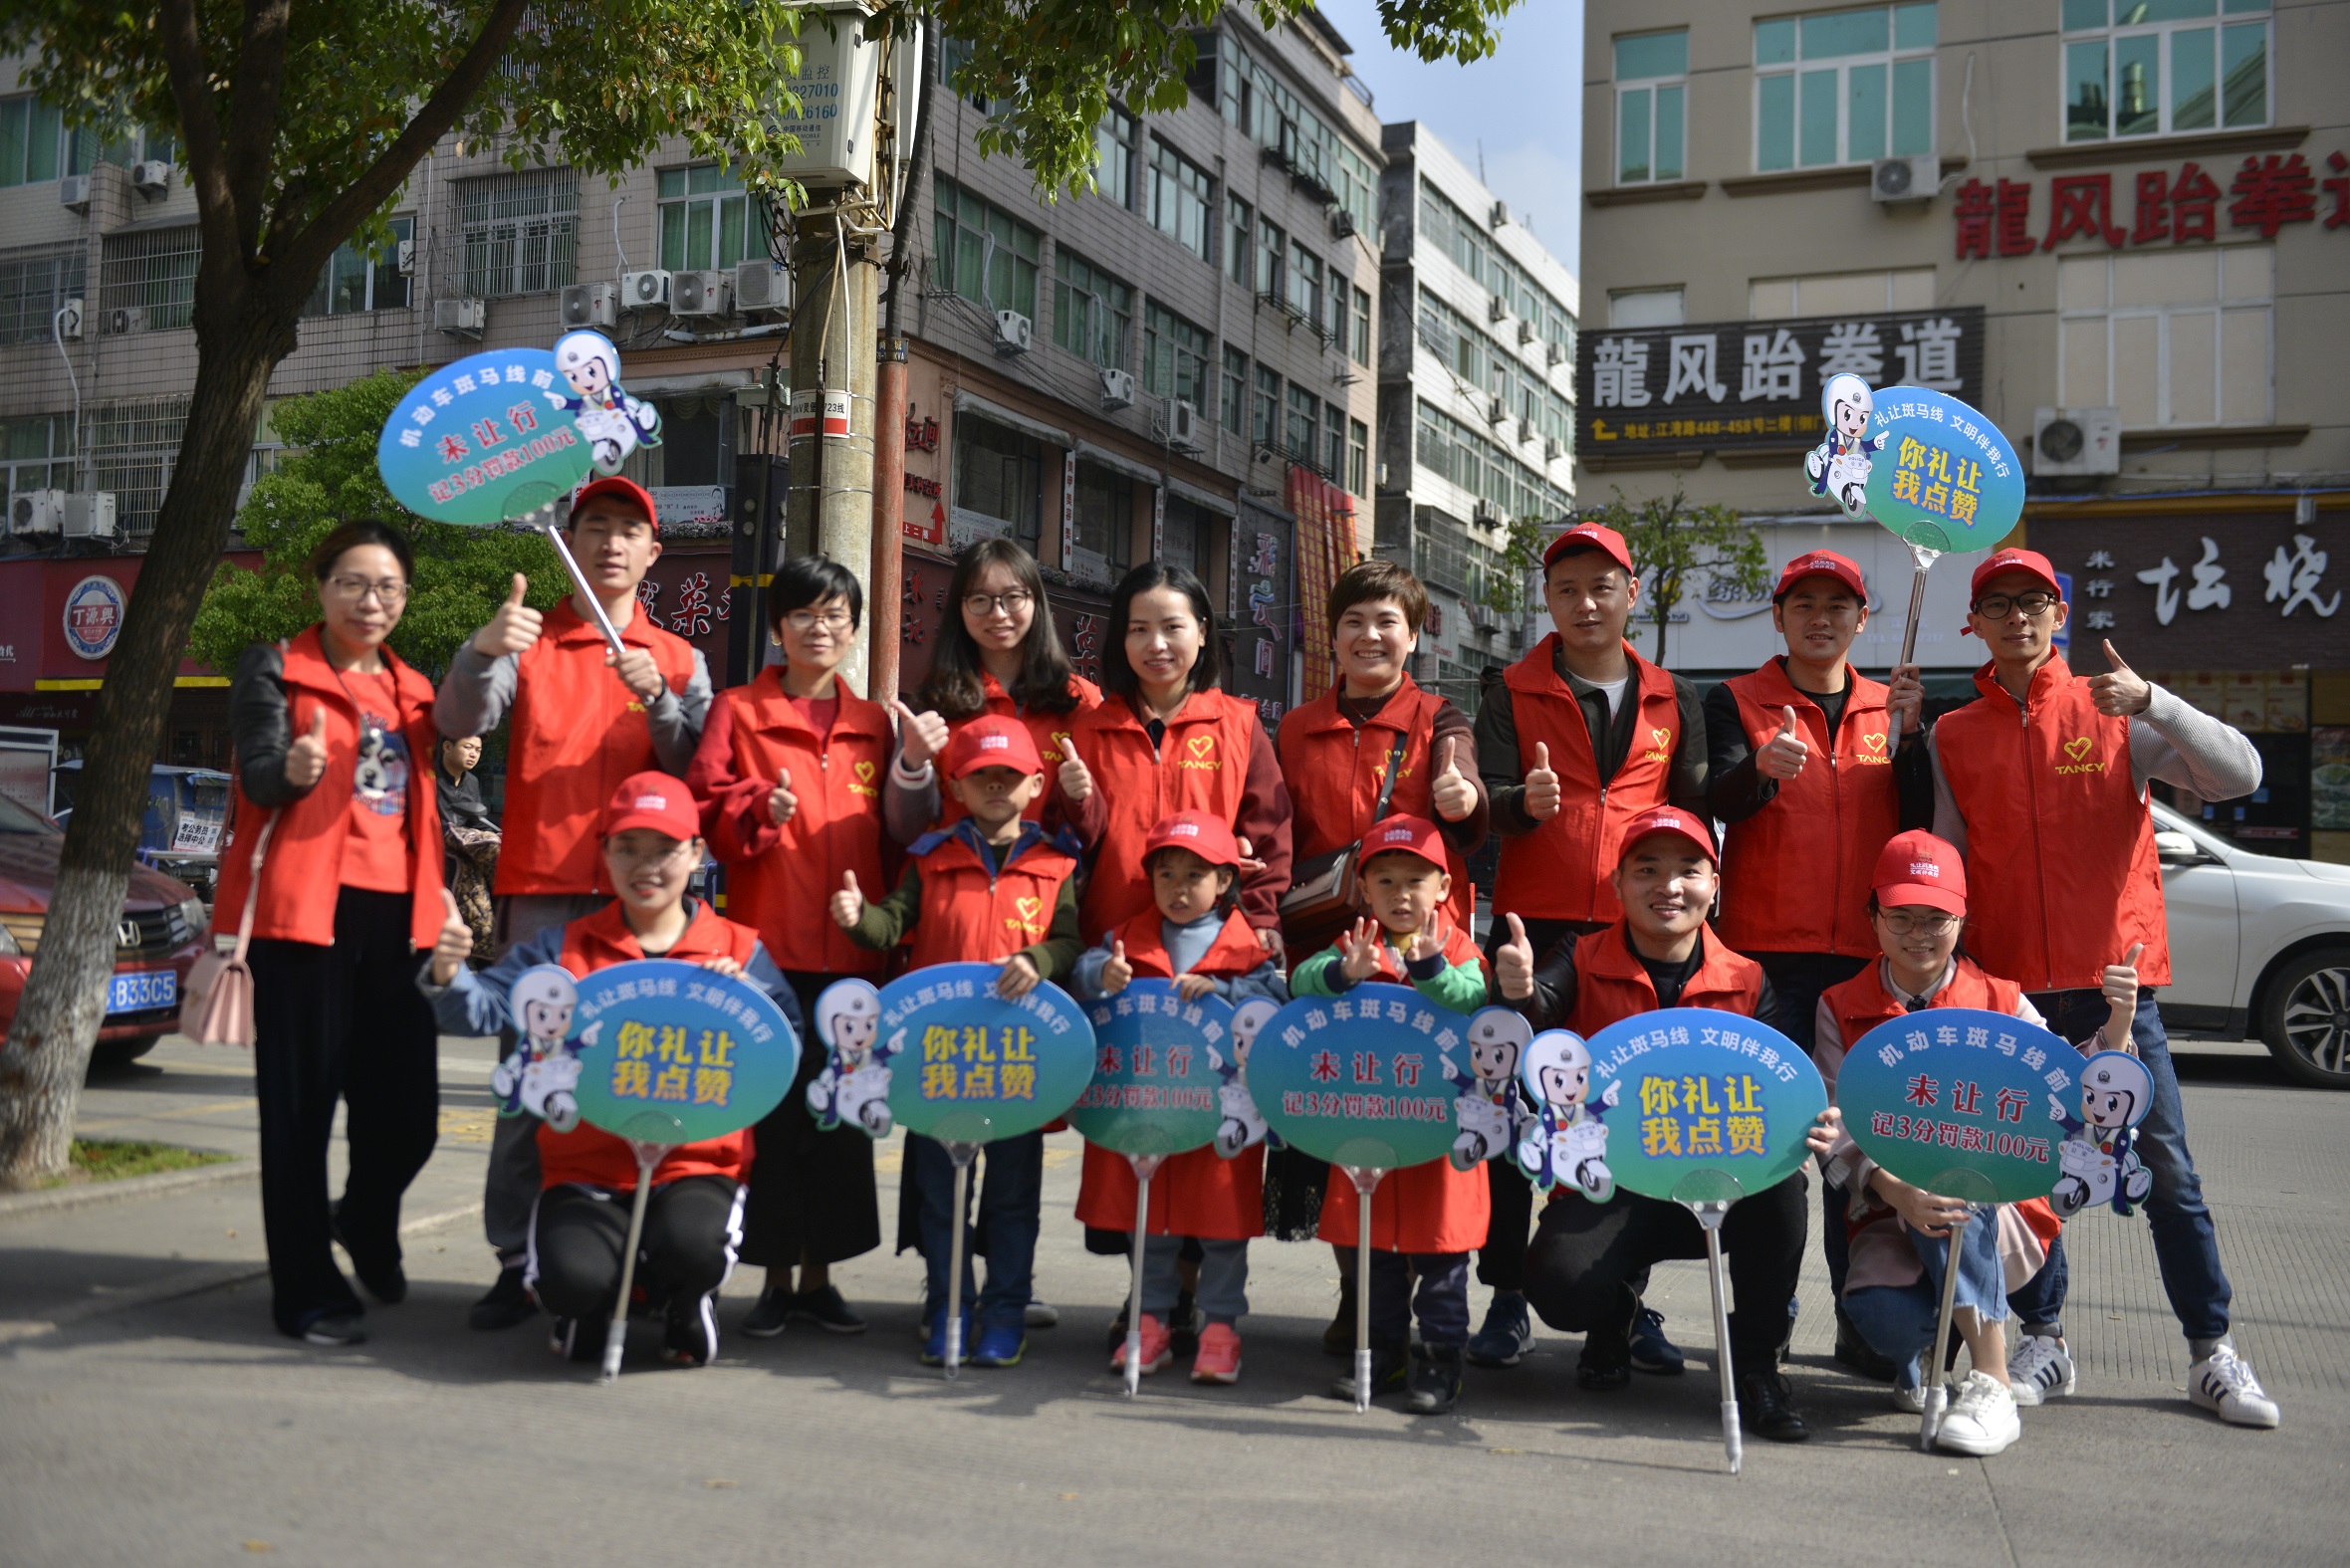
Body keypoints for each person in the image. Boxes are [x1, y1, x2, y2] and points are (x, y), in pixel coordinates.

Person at [1928, 548, 2277, 1428]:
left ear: (2059, 612)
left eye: (2033, 600)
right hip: (2015, 1000)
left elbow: (2242, 773)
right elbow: (1952, 864)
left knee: (2167, 1175)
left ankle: (2212, 1350)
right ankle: (2044, 1337)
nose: (2017, 616)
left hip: (2119, 995)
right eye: (1997, 603)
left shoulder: (2113, 708)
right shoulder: (1953, 734)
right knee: (2028, 1176)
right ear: (1974, 622)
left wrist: (2156, 700)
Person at [435, 475, 713, 1332]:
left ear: (653, 553)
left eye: (630, 530)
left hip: (650, 904)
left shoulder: (677, 657)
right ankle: (517, 1260)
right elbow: (457, 716)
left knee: (645, 1077)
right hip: (546, 902)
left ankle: (647, 1257)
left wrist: (659, 701)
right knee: (531, 1087)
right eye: (596, 525)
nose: (611, 543)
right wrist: (484, 646)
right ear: (574, 535)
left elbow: (703, 768)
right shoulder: (531, 640)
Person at [418, 774, 806, 1368]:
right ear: (604, 854)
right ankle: (590, 1306)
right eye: (628, 848)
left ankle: (685, 1302)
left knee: (691, 1247)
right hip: (585, 1167)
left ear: (696, 854)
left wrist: (745, 1006)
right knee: (571, 1278)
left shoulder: (738, 949)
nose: (645, 865)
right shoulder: (561, 948)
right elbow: (488, 1009)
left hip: (695, 1163)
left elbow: (785, 1051)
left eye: (665, 850)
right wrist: (448, 972)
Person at [1496, 807, 1839, 1443]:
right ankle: (1615, 1318)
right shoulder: (1580, 954)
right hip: (1615, 1183)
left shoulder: (1748, 978)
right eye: (1647, 870)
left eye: (1688, 870)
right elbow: (1540, 1006)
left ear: (1716, 885)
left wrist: (1814, 1121)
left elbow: (1788, 1086)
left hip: (1715, 1179)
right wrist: (1519, 989)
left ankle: (1758, 1366)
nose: (1668, 886)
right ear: (1618, 885)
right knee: (1559, 1285)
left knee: (1784, 1186)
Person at [1811, 830, 2136, 1456]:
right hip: (1892, 1213)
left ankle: (1990, 1381)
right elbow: (1835, 1122)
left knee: (1954, 1171)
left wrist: (2116, 1030)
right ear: (1872, 918)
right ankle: (1929, 1349)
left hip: (1995, 1209)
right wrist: (1893, 1187)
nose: (1918, 934)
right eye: (1900, 917)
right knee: (1884, 1321)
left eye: (1936, 918)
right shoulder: (1840, 1005)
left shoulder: (2000, 1001)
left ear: (1962, 919)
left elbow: (2070, 1093)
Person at [1471, 519, 1707, 1374]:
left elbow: (1688, 818)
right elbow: (1482, 804)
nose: (1584, 602)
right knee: (1508, 1111)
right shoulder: (1511, 686)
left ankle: (1624, 1298)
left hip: (1630, 932)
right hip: (1529, 936)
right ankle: (1504, 1295)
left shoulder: (1670, 696)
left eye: (1602, 585)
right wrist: (1517, 802)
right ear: (1548, 599)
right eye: (1566, 588)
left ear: (1632, 593)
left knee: (1630, 1115)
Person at [219, 521, 446, 1347]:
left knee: (410, 1113)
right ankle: (306, 1293)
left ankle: (365, 1218)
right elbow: (256, 772)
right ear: (321, 587)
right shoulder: (277, 667)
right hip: (305, 916)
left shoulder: (414, 688)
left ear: (404, 598)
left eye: (387, 586)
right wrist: (295, 771)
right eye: (352, 582)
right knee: (299, 1115)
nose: (370, 599)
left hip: (398, 920)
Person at [1705, 549, 1928, 1375]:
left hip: (1863, 964)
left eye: (1839, 604)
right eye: (1805, 603)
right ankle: (1764, 1320)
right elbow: (1704, 799)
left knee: (1858, 1148)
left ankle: (1859, 1318)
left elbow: (1919, 817)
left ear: (1863, 619)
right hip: (1765, 958)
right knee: (1770, 1147)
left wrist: (1913, 736)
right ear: (1780, 615)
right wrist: (1757, 774)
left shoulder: (1891, 706)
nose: (1822, 617)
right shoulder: (1734, 701)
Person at [879, 537, 1101, 1333]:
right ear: (958, 610)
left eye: (1014, 597)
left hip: (1035, 938)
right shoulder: (936, 700)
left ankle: (1009, 1286)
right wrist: (912, 765)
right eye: (980, 599)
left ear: (1038, 604)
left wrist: (1080, 798)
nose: (999, 613)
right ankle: (943, 1291)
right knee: (940, 1125)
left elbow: (1096, 832)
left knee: (1017, 1133)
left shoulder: (1078, 701)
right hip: (946, 936)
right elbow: (902, 827)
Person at [1276, 560, 1490, 1357]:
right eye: (1355, 620)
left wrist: (1465, 794)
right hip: (1334, 950)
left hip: (1427, 952)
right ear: (1332, 632)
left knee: (1419, 1117)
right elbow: (1279, 832)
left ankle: (1432, 1310)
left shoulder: (1440, 716)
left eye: (1388, 621)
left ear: (1414, 632)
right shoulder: (1297, 727)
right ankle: (1359, 1293)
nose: (1371, 635)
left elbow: (1465, 793)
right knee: (1339, 1121)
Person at [830, 717, 1085, 1369]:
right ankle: (949, 1306)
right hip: (936, 1062)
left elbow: (1069, 942)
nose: (996, 786)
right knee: (940, 1196)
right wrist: (862, 920)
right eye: (981, 777)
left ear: (1036, 783)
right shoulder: (931, 856)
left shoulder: (1057, 862)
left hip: (1020, 1066)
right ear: (958, 786)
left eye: (1010, 776)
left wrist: (1040, 960)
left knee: (1011, 1196)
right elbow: (894, 923)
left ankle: (1004, 1310)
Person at [686, 556, 888, 1340]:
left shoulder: (876, 723)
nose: (821, 627)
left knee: (840, 1122)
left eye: (837, 614)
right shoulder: (737, 711)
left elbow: (901, 841)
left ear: (854, 628)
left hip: (854, 955)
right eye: (804, 614)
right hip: (766, 954)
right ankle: (772, 1278)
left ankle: (820, 1278)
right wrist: (757, 806)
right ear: (778, 627)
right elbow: (706, 812)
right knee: (773, 1122)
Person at [1070, 810, 1289, 1384]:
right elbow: (1085, 970)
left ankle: (1220, 1327)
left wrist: (1223, 989)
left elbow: (1273, 1001)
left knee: (1221, 1226)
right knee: (1150, 1223)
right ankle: (1150, 1321)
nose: (1179, 887)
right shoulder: (1126, 938)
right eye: (1166, 874)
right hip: (1146, 1104)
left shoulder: (1248, 949)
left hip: (1222, 1112)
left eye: (1196, 875)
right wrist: (1102, 976)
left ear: (1225, 883)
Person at [1291, 814, 1490, 1416]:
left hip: (1439, 1135)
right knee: (1372, 1258)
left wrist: (1430, 971)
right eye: (1386, 881)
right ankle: (1382, 1353)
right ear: (1364, 889)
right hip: (1369, 1127)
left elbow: (1475, 997)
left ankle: (1441, 1359)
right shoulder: (1356, 946)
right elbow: (1300, 982)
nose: (1401, 895)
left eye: (1415, 881)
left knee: (1441, 1261)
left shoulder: (1458, 948)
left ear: (1445, 888)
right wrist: (1338, 974)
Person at [1069, 561, 1292, 946]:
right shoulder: (1088, 730)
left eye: (1173, 628)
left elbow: (1272, 835)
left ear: (1202, 632)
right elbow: (1074, 842)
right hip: (1108, 949)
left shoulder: (1239, 724)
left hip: (1212, 949)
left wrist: (1261, 918)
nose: (1156, 645)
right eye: (1139, 629)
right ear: (1121, 640)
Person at [436, 735, 499, 969]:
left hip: (467, 843)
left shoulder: (471, 781)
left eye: (478, 750)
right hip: (442, 839)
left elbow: (477, 821)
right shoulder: (431, 777)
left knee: (499, 845)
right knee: (490, 848)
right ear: (447, 747)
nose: (473, 753)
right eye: (468, 747)